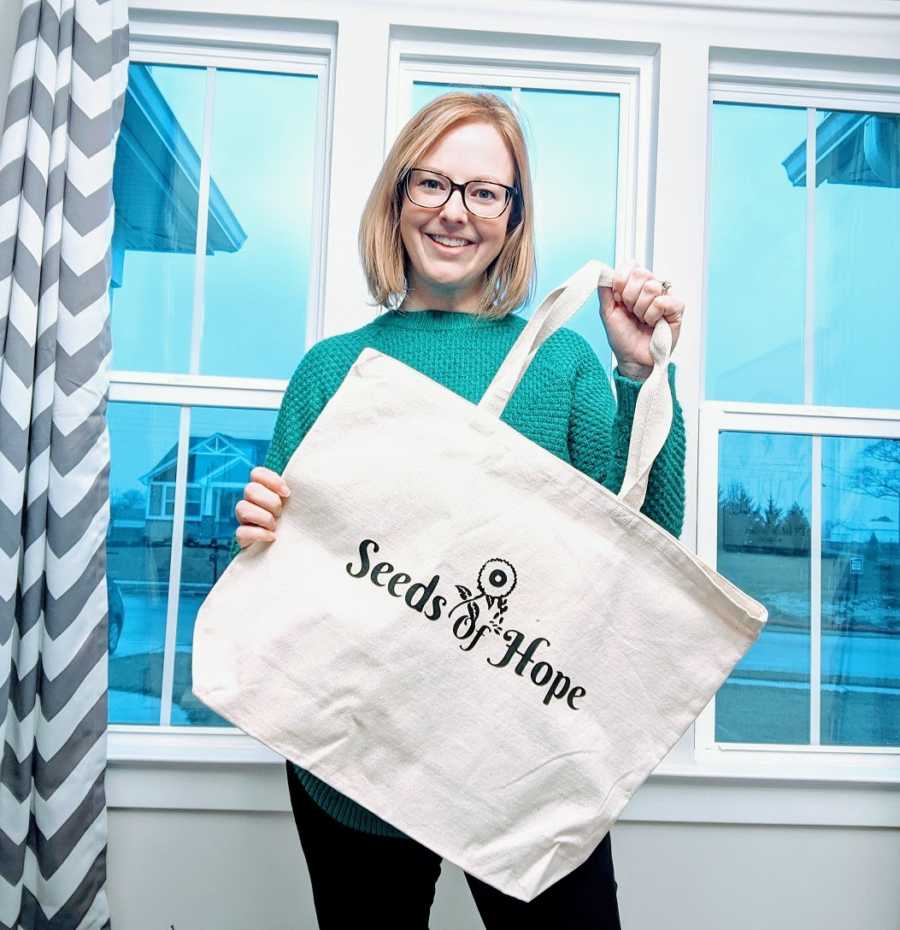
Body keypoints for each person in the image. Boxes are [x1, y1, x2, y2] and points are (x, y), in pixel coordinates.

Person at [228, 91, 686, 929]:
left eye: (484, 192)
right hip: (352, 758)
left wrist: (639, 374)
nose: (454, 212)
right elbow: (289, 577)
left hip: (525, 760)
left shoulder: (566, 363)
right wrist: (258, 533)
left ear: (513, 219)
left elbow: (646, 541)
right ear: (397, 200)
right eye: (431, 184)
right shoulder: (331, 371)